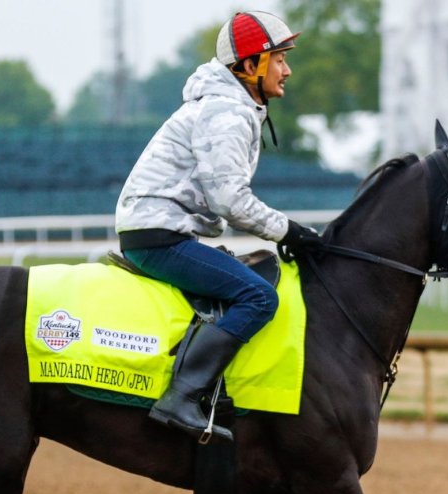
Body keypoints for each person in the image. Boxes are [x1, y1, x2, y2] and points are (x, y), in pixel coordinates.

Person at [115, 10, 323, 443]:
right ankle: (182, 397)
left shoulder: (234, 104)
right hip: (159, 234)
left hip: (162, 228)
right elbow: (229, 200)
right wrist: (291, 231)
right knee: (257, 295)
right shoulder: (227, 111)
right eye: (279, 59)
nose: (287, 69)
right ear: (250, 66)